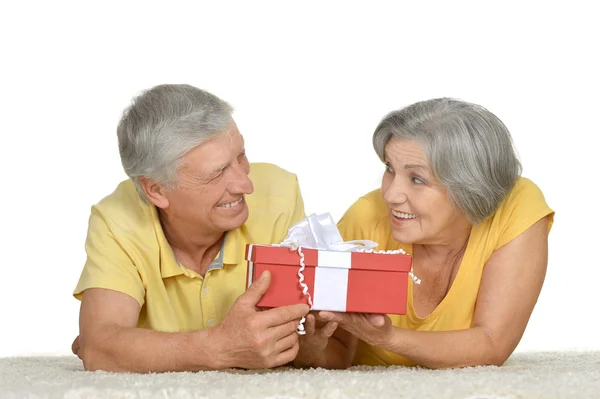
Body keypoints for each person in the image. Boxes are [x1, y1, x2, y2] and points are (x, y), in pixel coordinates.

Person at [70, 84, 322, 373]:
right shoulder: (117, 219)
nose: (246, 185)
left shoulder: (278, 194)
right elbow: (100, 349)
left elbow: (312, 341)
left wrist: (132, 349)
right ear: (156, 190)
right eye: (218, 173)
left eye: (240, 157)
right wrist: (220, 348)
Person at [300, 98, 554, 369]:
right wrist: (308, 350)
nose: (390, 194)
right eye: (389, 168)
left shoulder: (516, 206)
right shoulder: (365, 219)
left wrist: (389, 337)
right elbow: (337, 353)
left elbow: (492, 345)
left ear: (470, 189)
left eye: (417, 179)